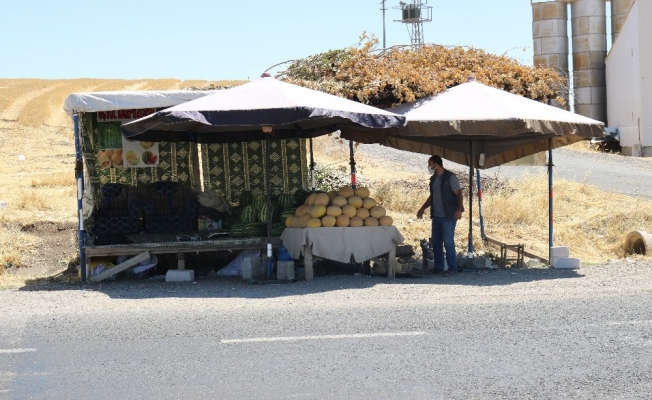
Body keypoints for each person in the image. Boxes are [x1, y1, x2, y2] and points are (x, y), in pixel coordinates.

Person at [416, 155, 464, 275]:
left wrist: (458, 210)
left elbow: (459, 194)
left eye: (430, 164)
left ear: (436, 165)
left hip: (449, 215)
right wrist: (423, 208)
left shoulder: (450, 177)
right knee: (436, 242)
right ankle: (439, 268)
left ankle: (452, 269)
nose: (429, 166)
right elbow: (432, 196)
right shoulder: (433, 179)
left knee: (448, 242)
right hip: (436, 216)